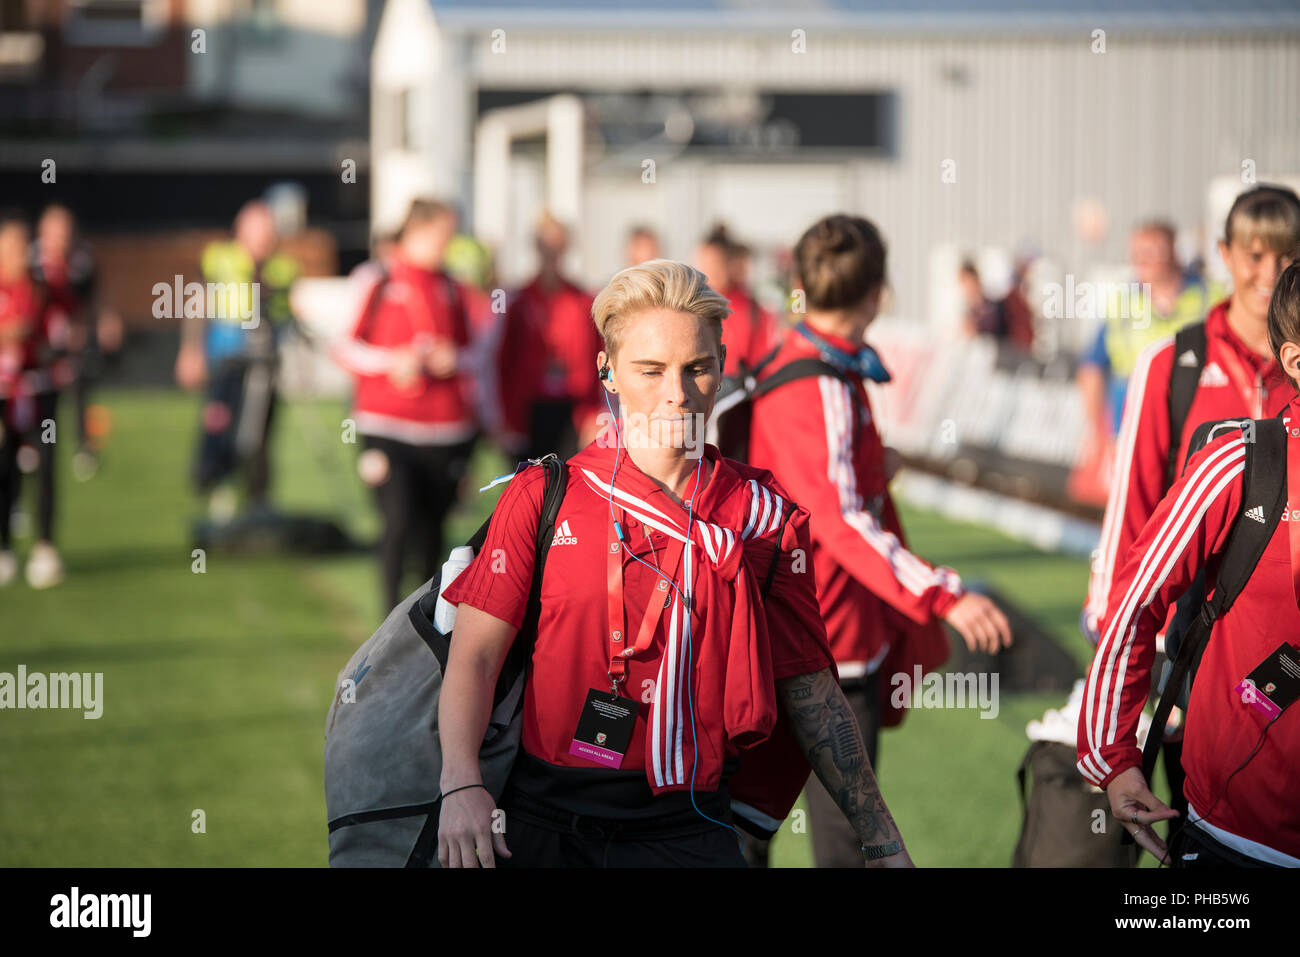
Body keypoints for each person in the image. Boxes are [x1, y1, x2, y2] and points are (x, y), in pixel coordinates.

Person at [436, 260, 914, 868]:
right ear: (606, 367)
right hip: (541, 827)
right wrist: (461, 783)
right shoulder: (543, 495)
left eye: (698, 368)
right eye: (651, 369)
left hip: (691, 831)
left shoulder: (764, 517)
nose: (677, 392)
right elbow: (475, 657)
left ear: (721, 365)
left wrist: (882, 841)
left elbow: (810, 688)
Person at [747, 214, 1013, 868]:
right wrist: (943, 593)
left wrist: (872, 460)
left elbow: (816, 485)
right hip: (829, 643)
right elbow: (840, 520)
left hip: (786, 634)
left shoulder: (799, 354)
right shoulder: (822, 379)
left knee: (748, 829)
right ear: (876, 295)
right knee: (846, 838)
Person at [1077, 258, 1300, 867]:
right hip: (1239, 836)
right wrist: (1115, 760)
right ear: (1296, 361)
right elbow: (1134, 601)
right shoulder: (1238, 465)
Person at [333, 198, 475, 613]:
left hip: (446, 430)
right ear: (417, 231)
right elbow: (343, 345)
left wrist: (453, 359)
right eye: (442, 236)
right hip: (387, 426)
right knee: (397, 521)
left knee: (433, 531)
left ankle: (422, 623)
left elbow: (474, 354)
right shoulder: (375, 277)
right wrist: (392, 361)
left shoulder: (451, 284)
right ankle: (386, 622)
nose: (448, 246)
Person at [174, 200, 300, 517]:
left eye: (268, 229)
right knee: (221, 422)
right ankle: (217, 483)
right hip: (227, 357)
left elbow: (287, 313)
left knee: (260, 432)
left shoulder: (283, 268)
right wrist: (191, 350)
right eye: (257, 229)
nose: (263, 237)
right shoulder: (219, 258)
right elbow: (198, 304)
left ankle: (259, 498)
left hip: (264, 362)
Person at [497, 212, 604, 460]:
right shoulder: (520, 301)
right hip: (529, 408)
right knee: (530, 483)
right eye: (546, 244)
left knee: (566, 482)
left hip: (572, 406)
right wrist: (505, 418)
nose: (551, 252)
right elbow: (504, 362)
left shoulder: (581, 301)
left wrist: (593, 413)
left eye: (557, 244)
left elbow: (597, 358)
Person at [0, 214, 64, 588]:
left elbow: (42, 330)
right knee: (4, 467)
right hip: (5, 393)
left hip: (38, 390)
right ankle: (5, 545)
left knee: (46, 462)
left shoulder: (40, 287)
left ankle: (45, 546)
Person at [696, 224, 775, 377]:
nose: (706, 272)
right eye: (702, 264)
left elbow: (763, 362)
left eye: (714, 264)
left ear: (729, 264)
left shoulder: (752, 311)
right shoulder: (692, 306)